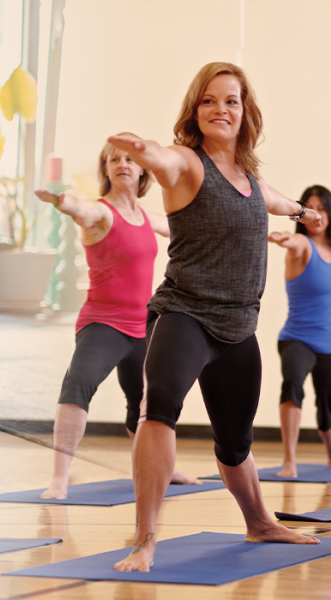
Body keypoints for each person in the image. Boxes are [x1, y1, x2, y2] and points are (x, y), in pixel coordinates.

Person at [107, 62, 321, 572]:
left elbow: (274, 200)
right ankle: (144, 538)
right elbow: (162, 159)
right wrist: (142, 149)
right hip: (185, 314)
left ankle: (259, 522)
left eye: (230, 101)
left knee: (235, 443)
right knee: (159, 406)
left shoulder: (248, 178)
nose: (220, 109)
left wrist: (303, 212)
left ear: (245, 112)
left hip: (238, 328)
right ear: (195, 110)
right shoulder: (186, 162)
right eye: (208, 100)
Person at [34, 138, 198, 500]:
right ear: (106, 169)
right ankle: (59, 478)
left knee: (146, 402)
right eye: (114, 160)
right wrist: (63, 202)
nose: (122, 163)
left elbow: (190, 228)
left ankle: (162, 469)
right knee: (77, 387)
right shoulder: (101, 212)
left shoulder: (148, 217)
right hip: (104, 323)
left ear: (143, 170)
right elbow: (82, 210)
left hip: (144, 326)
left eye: (130, 159)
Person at [268, 185, 331, 477]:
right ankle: (289, 462)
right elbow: (294, 243)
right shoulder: (301, 245)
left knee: (327, 404)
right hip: (297, 339)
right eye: (311, 208)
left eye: (322, 207)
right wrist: (282, 238)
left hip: (328, 342)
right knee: (293, 386)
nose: (317, 214)